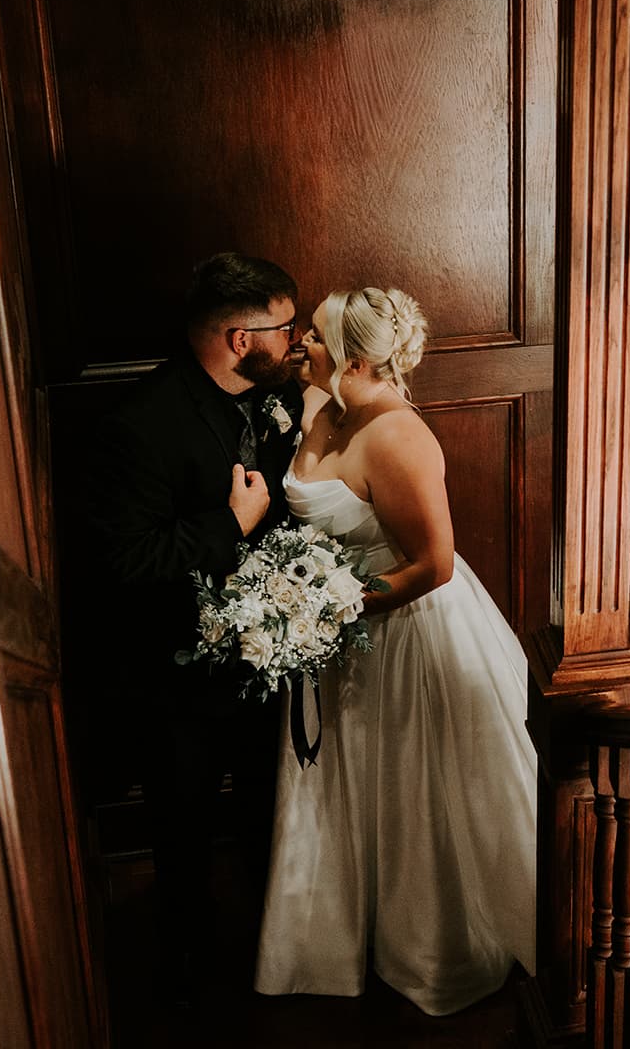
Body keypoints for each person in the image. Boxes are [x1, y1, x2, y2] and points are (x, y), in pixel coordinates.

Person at [254, 287, 537, 1015]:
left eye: (312, 337)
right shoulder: (323, 406)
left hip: (405, 634)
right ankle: (343, 937)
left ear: (352, 357)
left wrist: (323, 609)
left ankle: (432, 948)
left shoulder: (401, 438)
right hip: (339, 638)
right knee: (352, 782)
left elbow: (432, 565)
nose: (298, 346)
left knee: (413, 786)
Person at [83, 252, 306, 1001]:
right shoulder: (138, 425)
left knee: (268, 812)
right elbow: (128, 561)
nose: (298, 339)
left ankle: (273, 945)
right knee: (182, 827)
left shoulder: (281, 397)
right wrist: (229, 523)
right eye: (285, 327)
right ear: (241, 338)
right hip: (176, 674)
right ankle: (194, 978)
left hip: (271, 655)